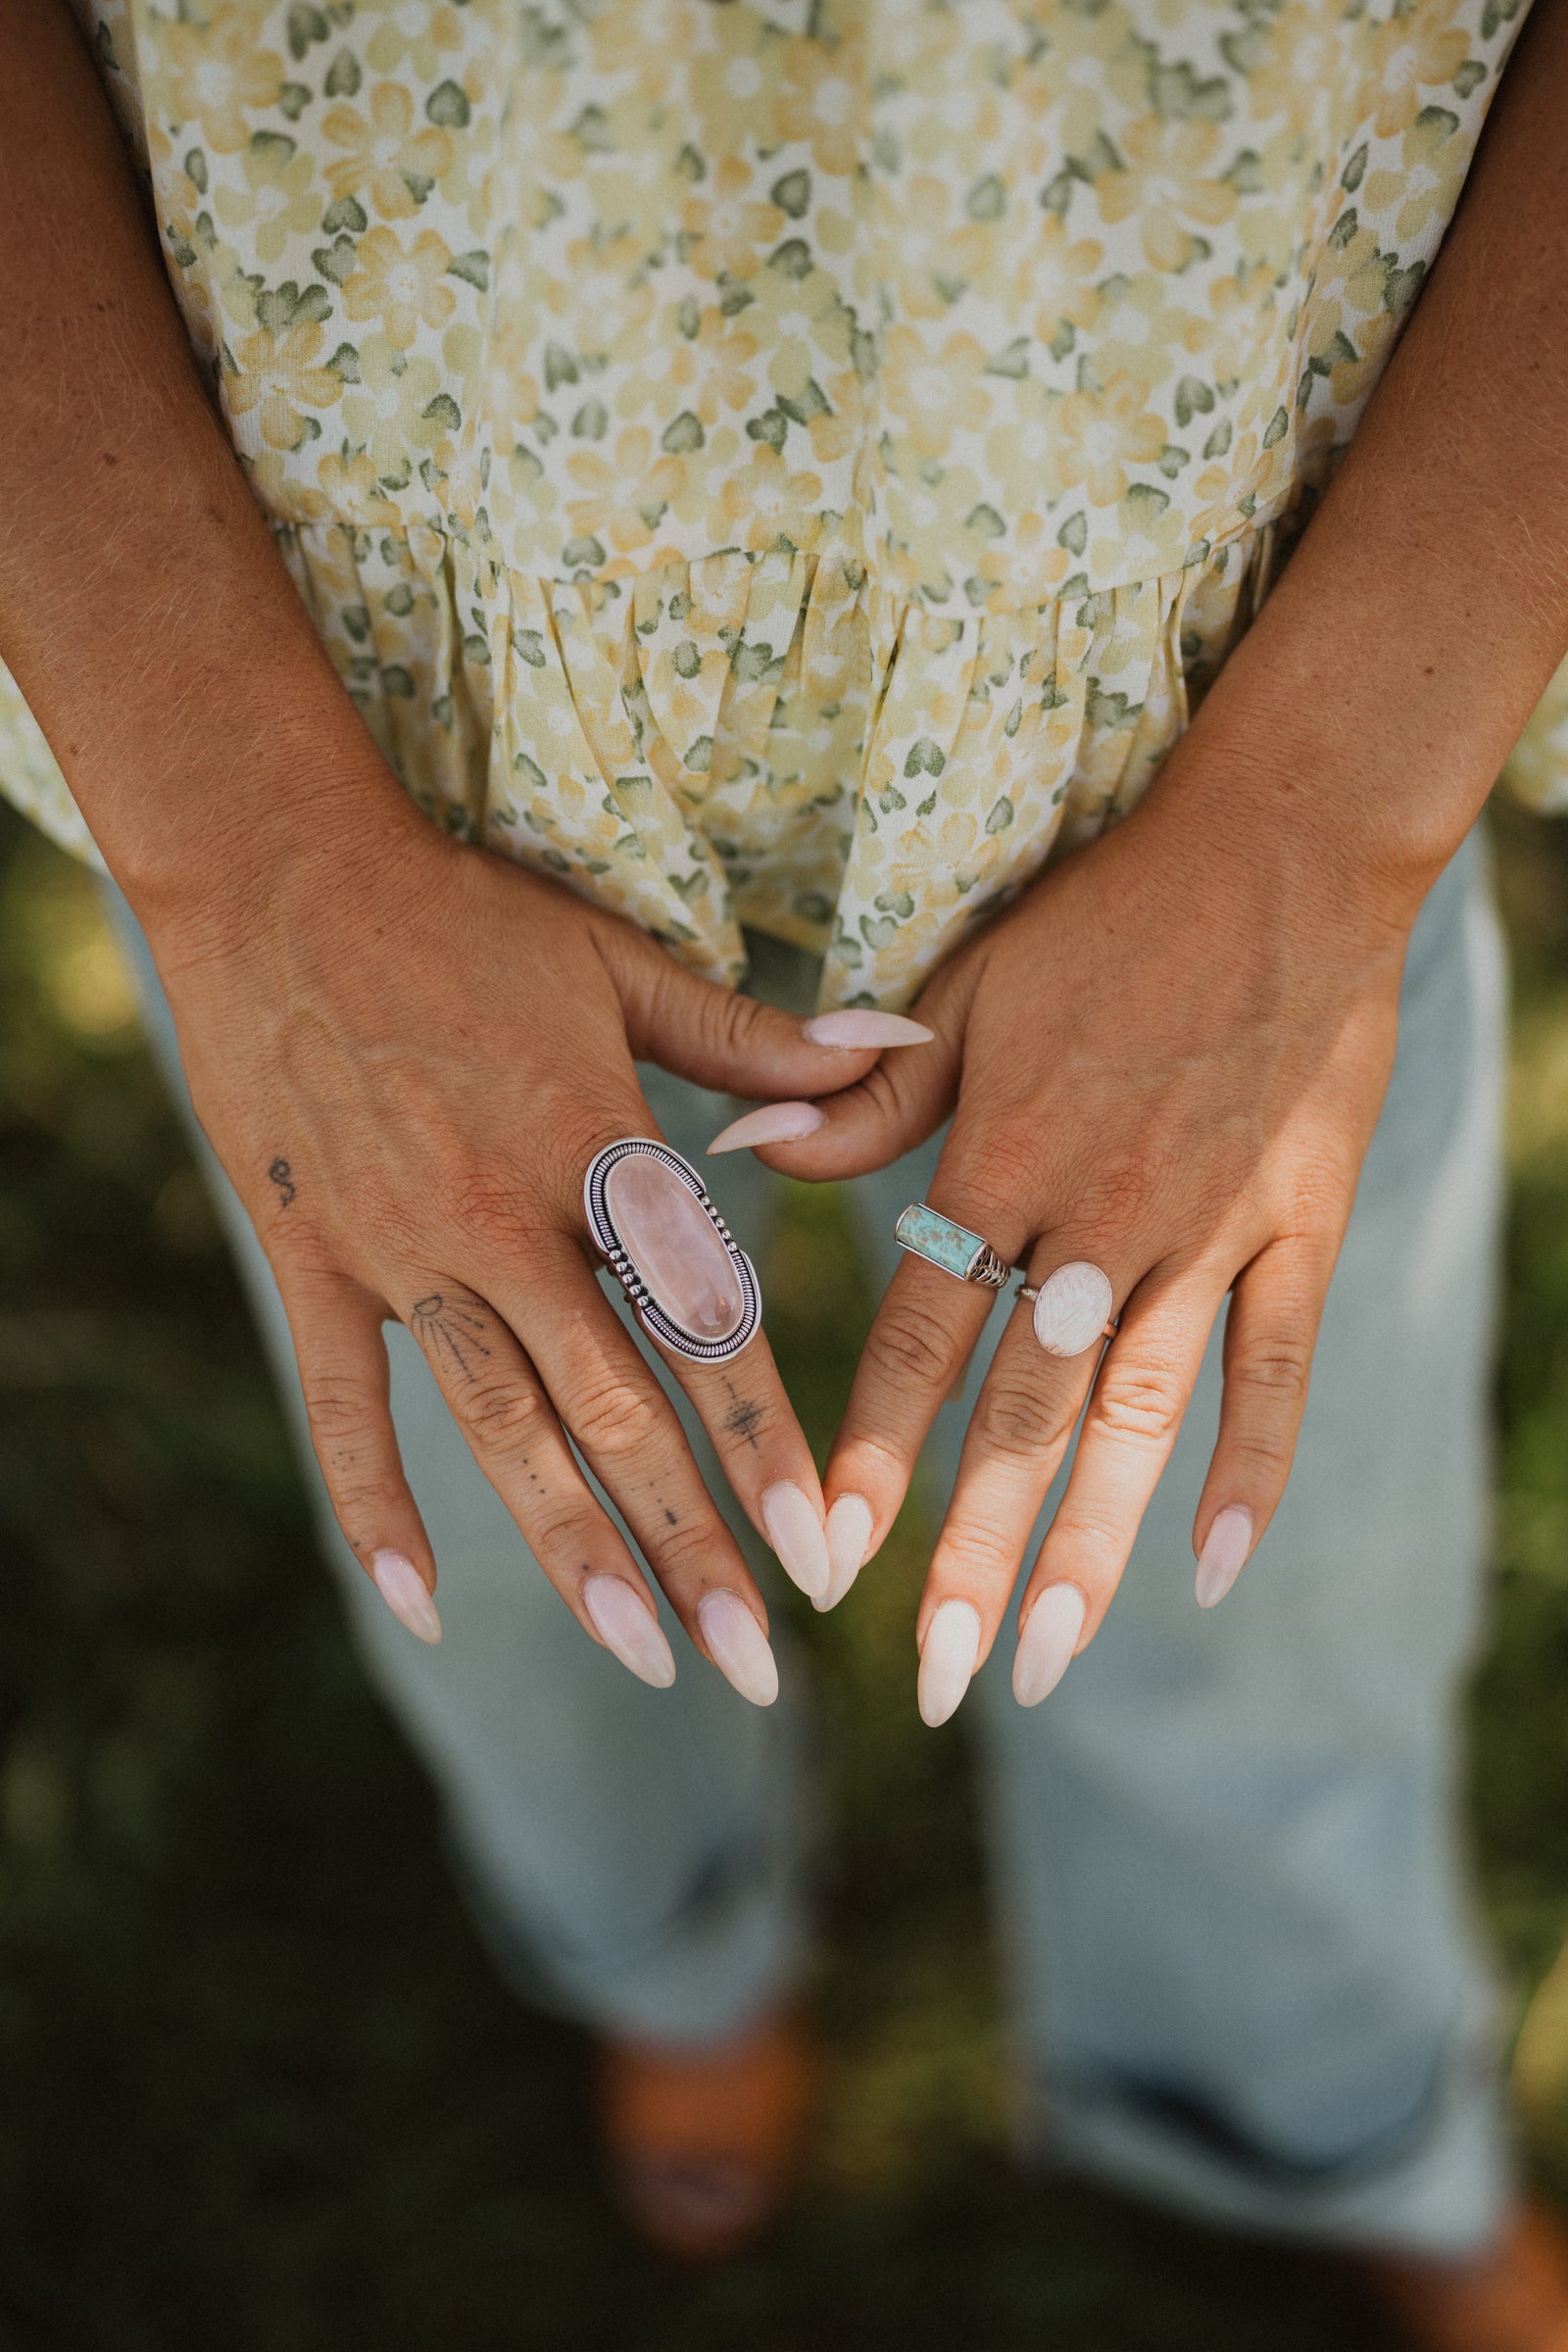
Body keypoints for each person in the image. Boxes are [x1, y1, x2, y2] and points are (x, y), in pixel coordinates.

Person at [4, 0, 1568, 2332]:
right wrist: (241, 846)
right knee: (534, 1525)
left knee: (1261, 1563)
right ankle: (667, 1947)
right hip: (348, 705)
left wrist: (1334, 804)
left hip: (1251, 646)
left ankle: (1308, 2096)